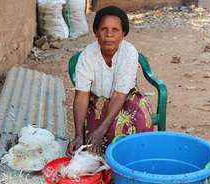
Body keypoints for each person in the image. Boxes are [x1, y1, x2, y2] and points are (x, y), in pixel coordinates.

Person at [66, 6, 154, 156]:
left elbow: (120, 95)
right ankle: (103, 167)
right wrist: (78, 135)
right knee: (91, 137)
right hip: (97, 100)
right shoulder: (87, 56)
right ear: (95, 32)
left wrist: (102, 129)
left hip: (126, 97)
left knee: (133, 122)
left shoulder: (129, 53)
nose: (109, 35)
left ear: (123, 34)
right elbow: (81, 97)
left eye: (115, 30)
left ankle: (131, 161)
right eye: (104, 29)